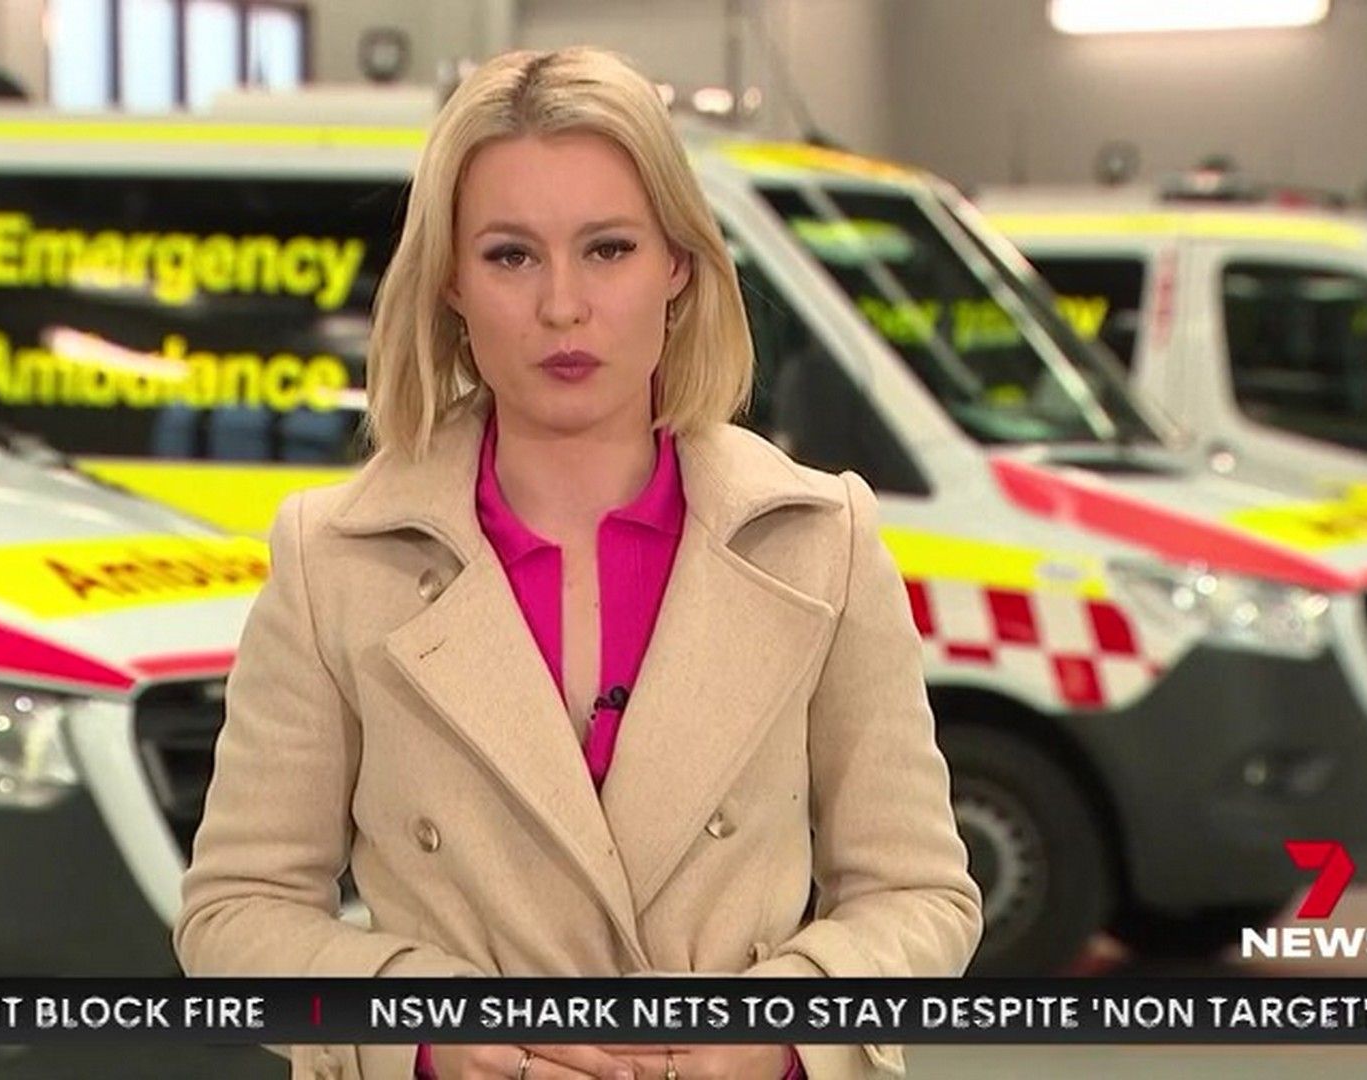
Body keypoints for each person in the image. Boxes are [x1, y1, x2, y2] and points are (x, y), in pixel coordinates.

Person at [175, 46, 981, 1079]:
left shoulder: (822, 541)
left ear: (677, 264)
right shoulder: (334, 558)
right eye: (512, 256)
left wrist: (782, 1030)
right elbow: (235, 914)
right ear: (452, 282)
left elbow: (919, 894)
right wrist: (422, 1028)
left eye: (608, 249)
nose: (563, 305)